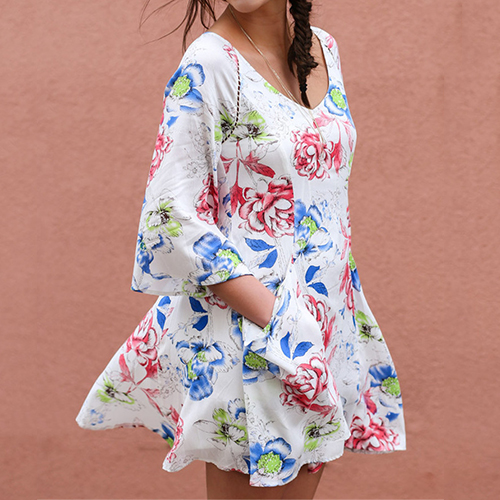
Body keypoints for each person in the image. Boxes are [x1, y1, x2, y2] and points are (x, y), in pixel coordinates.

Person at [75, 1, 407, 498]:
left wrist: (321, 336)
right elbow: (170, 219)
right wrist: (283, 326)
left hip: (325, 331)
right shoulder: (210, 63)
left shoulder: (323, 50)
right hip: (256, 341)